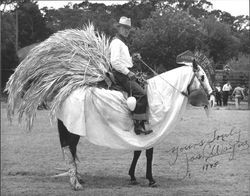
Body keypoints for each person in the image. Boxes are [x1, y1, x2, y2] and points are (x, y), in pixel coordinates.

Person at [109, 16, 152, 135]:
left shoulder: (123, 43)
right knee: (141, 94)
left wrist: (133, 58)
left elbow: (124, 61)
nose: (126, 30)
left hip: (124, 73)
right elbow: (115, 62)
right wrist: (128, 72)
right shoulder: (117, 43)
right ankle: (138, 125)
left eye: (128, 28)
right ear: (119, 28)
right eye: (124, 28)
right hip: (121, 75)